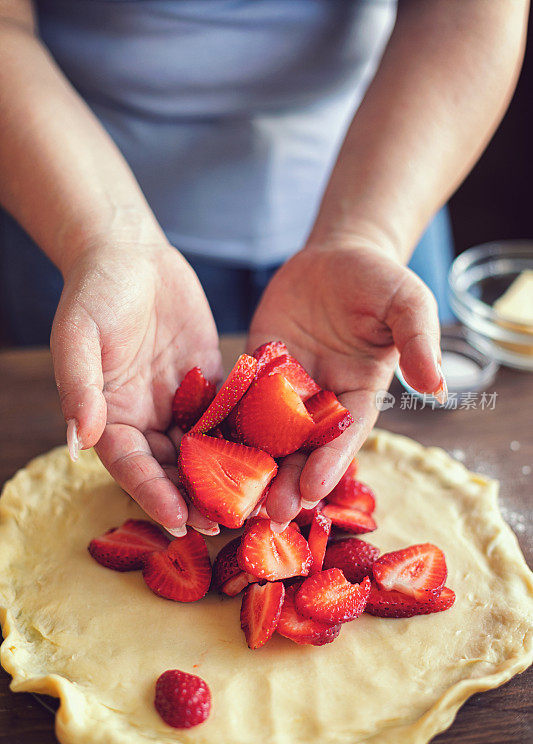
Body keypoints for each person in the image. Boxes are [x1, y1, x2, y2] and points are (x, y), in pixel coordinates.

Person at [0, 0, 528, 536]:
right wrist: (104, 239)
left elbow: (471, 12)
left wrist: (369, 234)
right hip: (67, 192)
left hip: (389, 180)